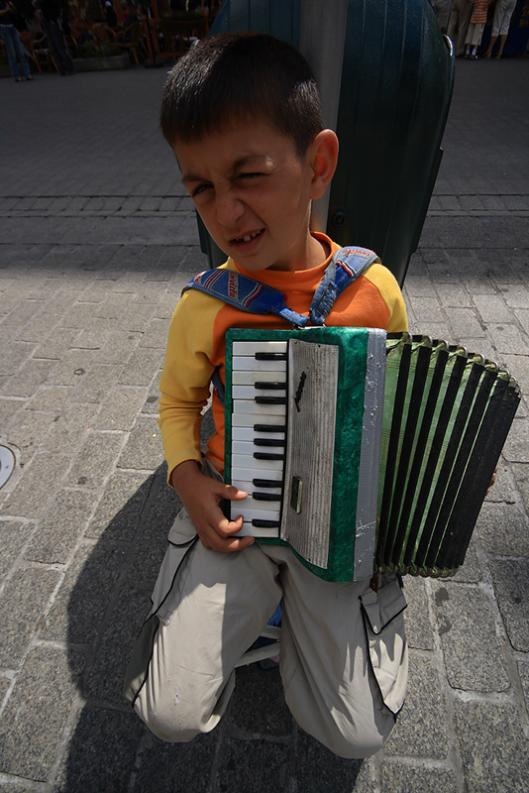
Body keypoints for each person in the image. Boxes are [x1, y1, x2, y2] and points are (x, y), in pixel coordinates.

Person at [123, 33, 409, 759]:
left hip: (336, 526)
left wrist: (439, 471)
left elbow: (406, 393)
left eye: (246, 176)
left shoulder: (373, 293)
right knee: (170, 713)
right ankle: (228, 603)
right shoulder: (206, 307)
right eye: (201, 187)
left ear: (317, 165)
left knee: (356, 734)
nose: (225, 211)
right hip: (239, 515)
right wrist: (187, 478)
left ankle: (340, 619)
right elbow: (177, 404)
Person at [0, 0, 32, 80]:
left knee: (21, 52)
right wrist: (6, 9)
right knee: (12, 54)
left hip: (13, 27)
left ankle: (27, 74)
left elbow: (15, 14)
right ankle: (16, 76)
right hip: (4, 28)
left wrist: (12, 7)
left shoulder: (7, 1)